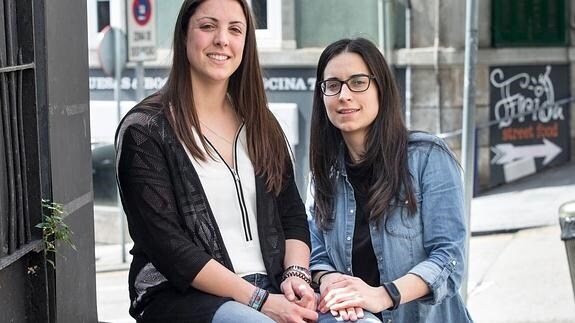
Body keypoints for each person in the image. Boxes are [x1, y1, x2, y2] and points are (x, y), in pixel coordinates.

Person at [115, 0, 318, 322]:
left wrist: (297, 275)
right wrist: (260, 301)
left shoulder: (261, 123)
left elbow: (291, 215)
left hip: (274, 287)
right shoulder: (146, 129)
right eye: (208, 26)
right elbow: (168, 245)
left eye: (235, 29)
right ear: (184, 36)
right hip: (183, 296)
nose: (222, 39)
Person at [306, 37, 473, 323]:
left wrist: (382, 294)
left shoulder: (427, 157)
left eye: (358, 82)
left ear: (381, 89)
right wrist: (330, 279)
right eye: (332, 85)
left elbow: (449, 260)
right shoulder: (325, 174)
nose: (344, 95)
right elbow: (316, 252)